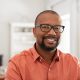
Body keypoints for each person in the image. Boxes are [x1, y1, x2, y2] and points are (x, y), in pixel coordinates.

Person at [5, 10, 80, 80]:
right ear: (34, 32)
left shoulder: (73, 63)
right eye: (45, 27)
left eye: (57, 28)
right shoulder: (16, 64)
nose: (52, 33)